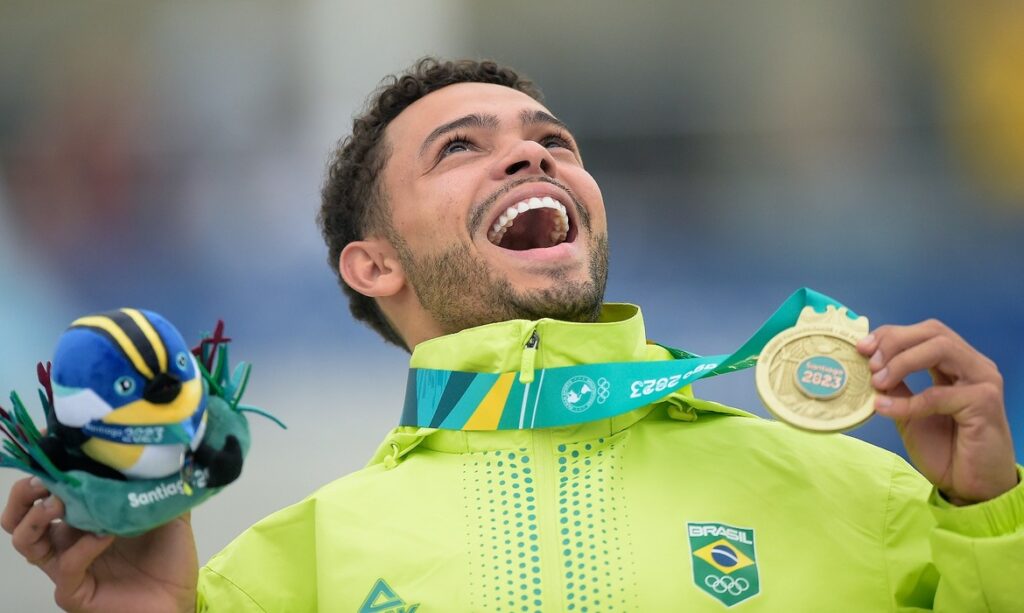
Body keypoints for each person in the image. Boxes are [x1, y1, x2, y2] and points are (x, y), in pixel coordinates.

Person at [3, 58, 1020, 612]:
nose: (532, 160)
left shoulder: (869, 498)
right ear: (374, 263)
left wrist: (990, 518)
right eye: (462, 149)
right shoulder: (286, 572)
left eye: (552, 143)